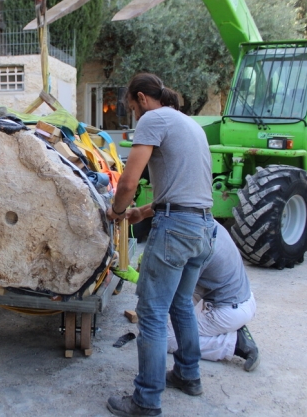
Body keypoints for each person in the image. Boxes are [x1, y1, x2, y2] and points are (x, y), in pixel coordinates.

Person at [105, 73, 216, 417]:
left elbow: (127, 180)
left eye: (131, 106)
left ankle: (146, 400)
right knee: (181, 305)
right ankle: (188, 375)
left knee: (151, 313)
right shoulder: (190, 124)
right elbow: (188, 189)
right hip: (203, 226)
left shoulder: (153, 119)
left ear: (141, 98)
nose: (134, 114)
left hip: (177, 229)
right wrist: (143, 211)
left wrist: (118, 211)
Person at [166, 220, 260, 372]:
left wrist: (141, 278)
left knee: (166, 338)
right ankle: (232, 329)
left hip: (228, 311)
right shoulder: (211, 224)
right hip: (243, 299)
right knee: (178, 313)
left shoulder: (196, 241)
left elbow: (180, 288)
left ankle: (234, 343)